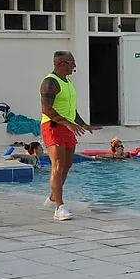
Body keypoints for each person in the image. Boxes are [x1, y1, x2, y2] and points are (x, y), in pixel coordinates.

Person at [40, 50, 100, 221]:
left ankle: (53, 196)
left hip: (68, 127)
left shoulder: (67, 82)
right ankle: (59, 207)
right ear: (62, 63)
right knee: (58, 164)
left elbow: (71, 108)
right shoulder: (50, 82)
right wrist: (67, 123)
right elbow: (46, 109)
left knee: (67, 164)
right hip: (53, 126)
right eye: (72, 62)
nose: (74, 65)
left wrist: (82, 124)